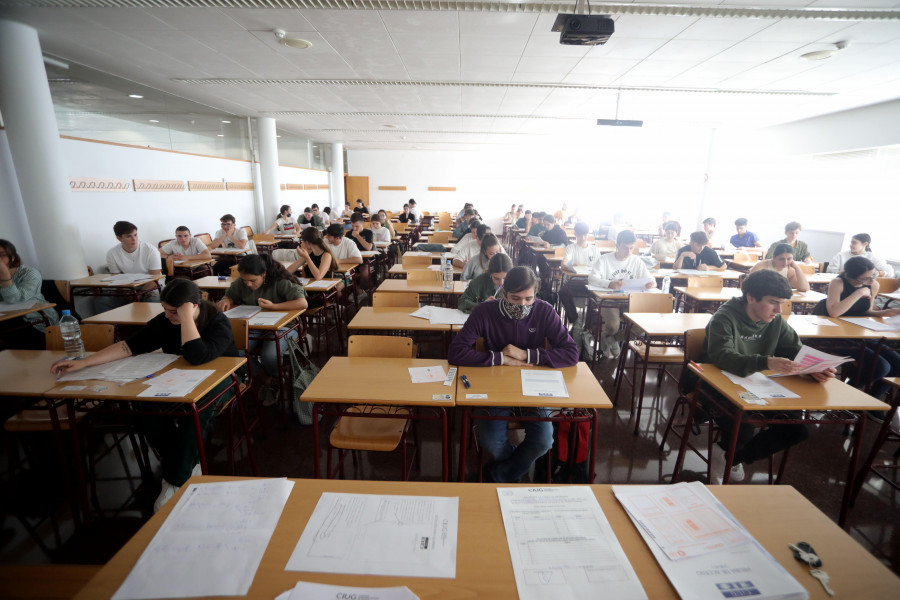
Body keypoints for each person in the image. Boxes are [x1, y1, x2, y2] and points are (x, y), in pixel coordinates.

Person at [51, 279, 239, 511]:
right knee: (145, 407)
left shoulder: (217, 321)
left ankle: (175, 480)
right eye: (165, 310)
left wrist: (186, 318)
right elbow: (128, 346)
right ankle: (186, 465)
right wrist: (84, 363)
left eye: (173, 311)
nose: (168, 316)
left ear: (192, 306)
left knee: (197, 410)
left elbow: (197, 356)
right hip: (182, 380)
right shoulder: (166, 321)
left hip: (224, 379)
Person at [698, 269, 834, 484]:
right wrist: (765, 361)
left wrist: (813, 368)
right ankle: (729, 450)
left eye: (781, 303)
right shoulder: (724, 318)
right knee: (743, 426)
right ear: (751, 297)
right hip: (714, 383)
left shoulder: (775, 321)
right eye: (773, 302)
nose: (778, 310)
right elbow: (722, 356)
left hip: (757, 383)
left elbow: (795, 349)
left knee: (798, 427)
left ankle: (730, 457)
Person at [448, 266, 578, 483]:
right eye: (515, 298)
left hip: (534, 384)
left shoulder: (544, 310)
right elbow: (455, 352)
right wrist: (500, 358)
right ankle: (515, 466)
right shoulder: (485, 311)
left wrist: (528, 355)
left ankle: (500, 473)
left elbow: (571, 352)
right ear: (503, 292)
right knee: (491, 441)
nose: (522, 305)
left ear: (535, 294)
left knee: (544, 440)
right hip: (496, 384)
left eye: (529, 299)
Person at [814, 256, 900, 399]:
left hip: (860, 332)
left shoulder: (873, 285)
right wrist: (859, 292)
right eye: (866, 279)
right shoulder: (838, 283)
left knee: (898, 363)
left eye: (874, 275)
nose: (872, 280)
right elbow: (834, 312)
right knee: (881, 367)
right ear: (852, 277)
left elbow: (866, 311)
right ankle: (843, 394)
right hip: (835, 335)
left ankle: (873, 399)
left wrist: (885, 312)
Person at [216, 255, 308, 389]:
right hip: (255, 326)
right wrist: (226, 299)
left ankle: (276, 377)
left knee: (269, 355)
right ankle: (264, 378)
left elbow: (302, 303)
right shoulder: (242, 282)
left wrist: (274, 306)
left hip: (284, 326)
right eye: (244, 280)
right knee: (233, 351)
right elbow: (230, 295)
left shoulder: (279, 282)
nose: (248, 284)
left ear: (264, 274)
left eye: (253, 280)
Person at [587, 230, 656, 357]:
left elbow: (652, 280)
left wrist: (650, 284)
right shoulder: (604, 259)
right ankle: (611, 334)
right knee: (613, 326)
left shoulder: (636, 261)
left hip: (630, 300)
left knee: (643, 324)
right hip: (608, 299)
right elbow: (592, 279)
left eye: (631, 248)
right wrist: (609, 283)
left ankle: (612, 339)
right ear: (617, 246)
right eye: (625, 248)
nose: (629, 252)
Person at [0, 239, 60, 349]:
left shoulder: (30, 273)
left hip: (37, 319)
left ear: (12, 257)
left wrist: (5, 277)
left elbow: (16, 300)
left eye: (2, 255)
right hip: (8, 320)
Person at [102, 221, 163, 310]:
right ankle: (110, 324)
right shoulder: (112, 253)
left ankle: (149, 323)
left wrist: (139, 293)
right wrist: (127, 292)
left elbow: (155, 277)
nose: (134, 239)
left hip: (151, 284)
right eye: (129, 236)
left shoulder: (151, 250)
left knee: (151, 298)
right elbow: (116, 277)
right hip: (128, 286)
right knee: (103, 300)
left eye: (135, 235)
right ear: (119, 238)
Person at [559, 222, 600, 326]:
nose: (583, 238)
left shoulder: (594, 249)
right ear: (575, 234)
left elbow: (601, 268)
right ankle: (575, 320)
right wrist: (570, 266)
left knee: (598, 296)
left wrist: (583, 266)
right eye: (580, 235)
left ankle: (590, 324)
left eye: (585, 235)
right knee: (564, 292)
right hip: (576, 282)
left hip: (592, 282)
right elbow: (564, 264)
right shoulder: (571, 248)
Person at [826, 233, 893, 277]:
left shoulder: (872, 257)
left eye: (854, 243)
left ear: (865, 244)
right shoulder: (841, 255)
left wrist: (877, 273)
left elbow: (890, 273)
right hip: (841, 284)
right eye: (851, 242)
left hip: (863, 286)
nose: (851, 245)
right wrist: (844, 273)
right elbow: (830, 272)